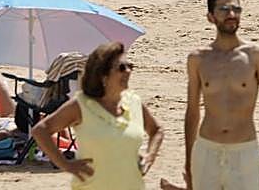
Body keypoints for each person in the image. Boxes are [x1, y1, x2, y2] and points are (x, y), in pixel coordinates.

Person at [169, 0, 259, 190]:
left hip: (245, 151)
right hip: (206, 150)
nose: (231, 14)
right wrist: (189, 161)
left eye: (236, 9)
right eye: (223, 9)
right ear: (210, 17)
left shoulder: (256, 56)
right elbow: (192, 113)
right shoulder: (198, 59)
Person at [31, 42, 163, 189]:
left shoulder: (134, 102)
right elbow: (40, 130)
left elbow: (156, 130)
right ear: (103, 76)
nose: (127, 71)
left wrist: (150, 156)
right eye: (121, 67)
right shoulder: (81, 105)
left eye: (130, 66)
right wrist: (65, 164)